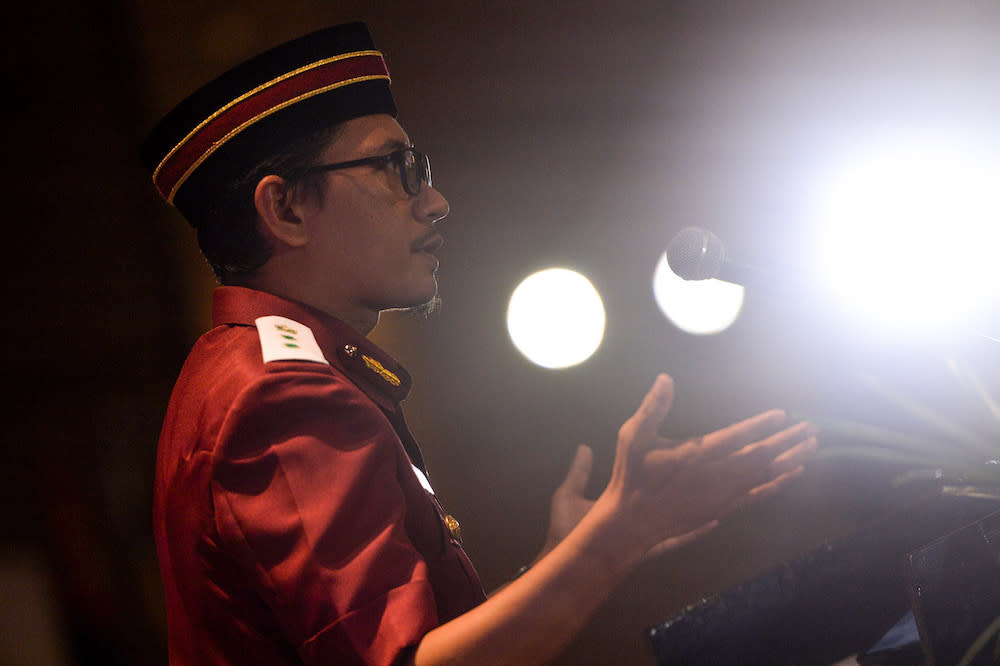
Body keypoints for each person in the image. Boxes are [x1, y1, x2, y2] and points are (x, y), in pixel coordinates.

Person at [142, 22, 818, 665]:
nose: (434, 200)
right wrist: (615, 541)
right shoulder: (280, 392)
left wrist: (566, 555)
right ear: (286, 210)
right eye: (396, 167)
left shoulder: (248, 368)